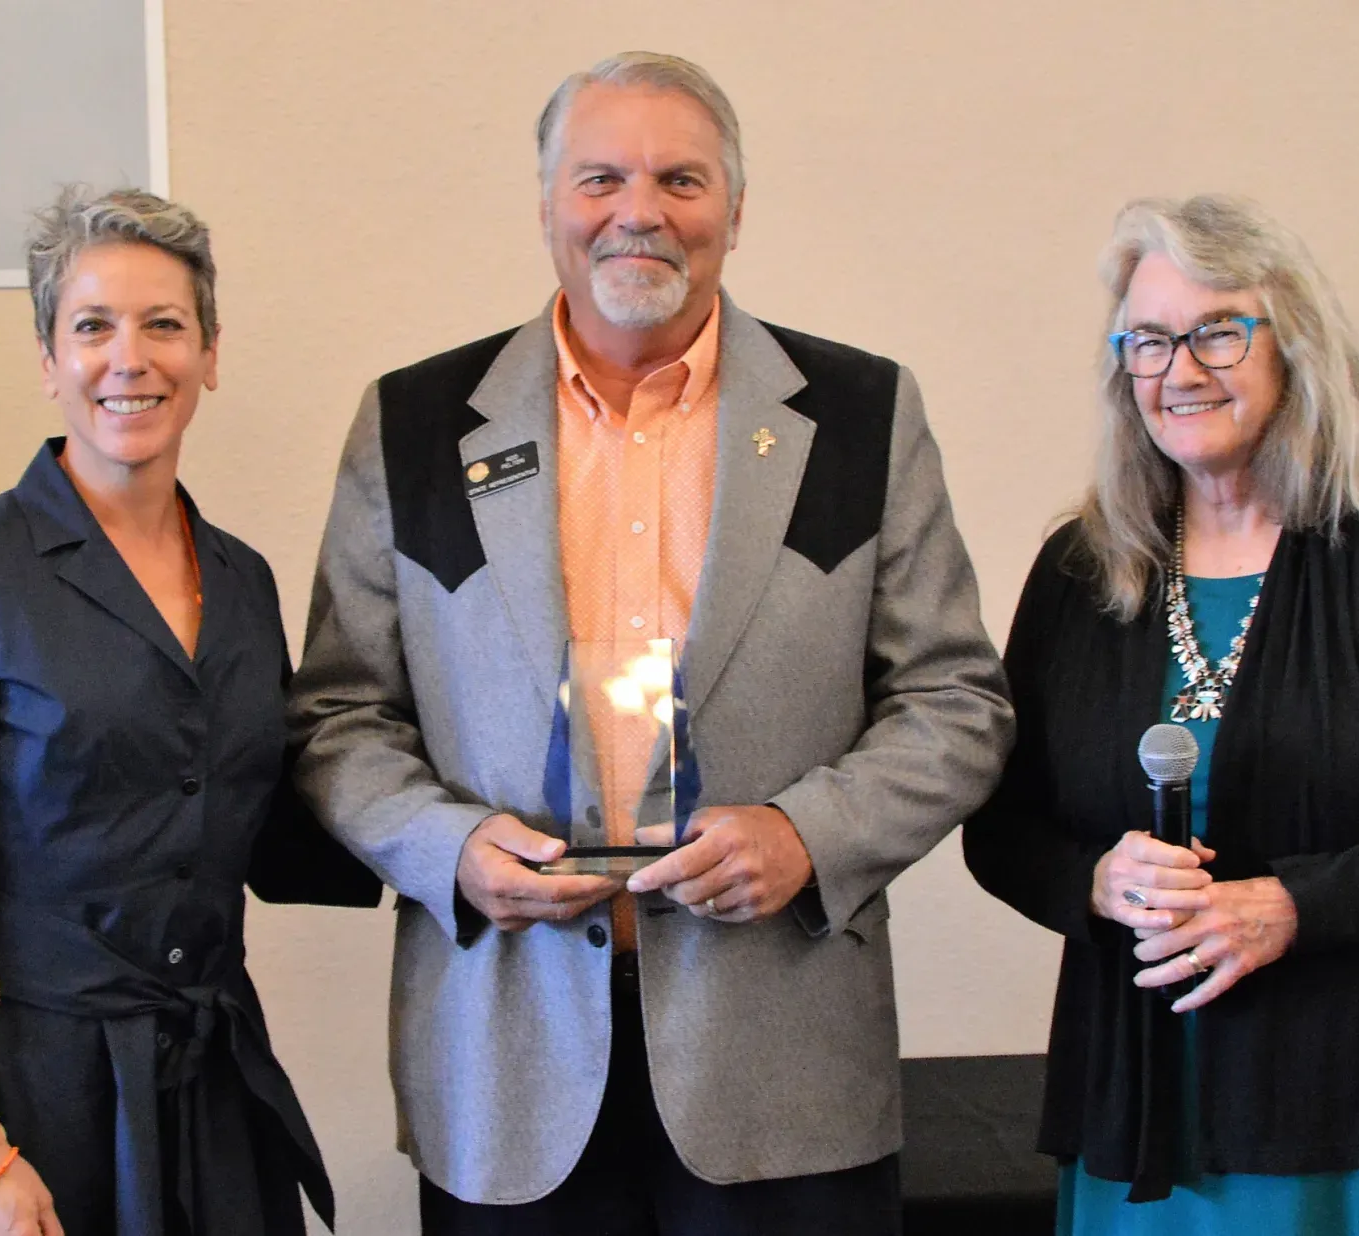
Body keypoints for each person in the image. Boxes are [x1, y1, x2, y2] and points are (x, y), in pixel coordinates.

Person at [289, 51, 1013, 1235]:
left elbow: (956, 702)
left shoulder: (859, 414)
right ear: (545, 209)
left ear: (734, 208)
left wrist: (804, 834)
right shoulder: (413, 424)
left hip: (779, 1060)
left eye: (681, 179)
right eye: (600, 179)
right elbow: (337, 715)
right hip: (507, 1063)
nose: (640, 211)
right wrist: (452, 848)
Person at [963, 194, 1359, 1234]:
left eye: (1218, 331)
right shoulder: (1082, 572)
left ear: (1294, 348)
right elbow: (1001, 829)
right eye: (1149, 340)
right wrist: (1097, 882)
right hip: (1155, 1130)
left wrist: (1292, 905)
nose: (1181, 369)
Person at [0, 187, 379, 1236]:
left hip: (215, 1090)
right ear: (49, 362)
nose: (128, 359)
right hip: (31, 1104)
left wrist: (468, 797)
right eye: (92, 327)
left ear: (211, 353)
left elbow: (278, 837)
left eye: (164, 325)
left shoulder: (240, 580)